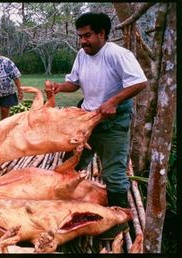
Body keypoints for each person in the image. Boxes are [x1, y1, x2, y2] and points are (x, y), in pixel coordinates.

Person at [45, 12, 148, 238]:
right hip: (87, 119)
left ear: (102, 34)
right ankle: (69, 208)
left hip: (113, 121)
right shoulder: (82, 54)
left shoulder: (118, 54)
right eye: (80, 36)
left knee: (113, 173)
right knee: (70, 164)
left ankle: (118, 221)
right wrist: (60, 88)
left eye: (87, 35)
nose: (83, 41)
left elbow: (140, 81)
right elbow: (75, 83)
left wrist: (113, 101)